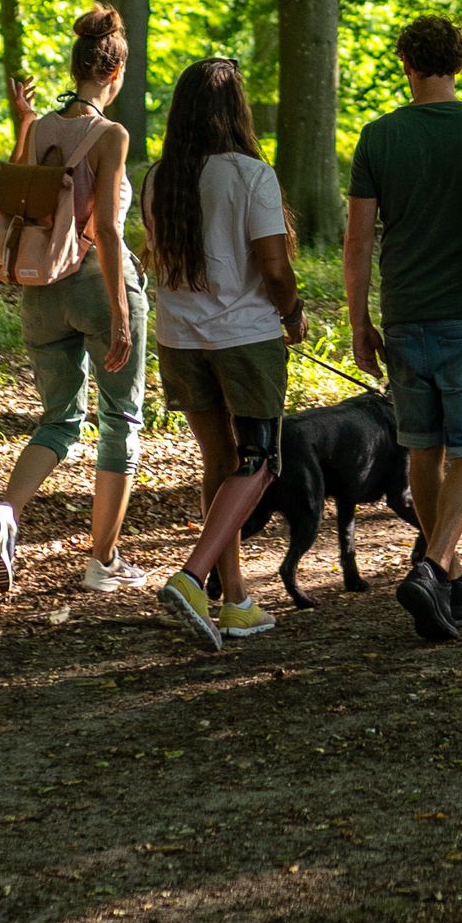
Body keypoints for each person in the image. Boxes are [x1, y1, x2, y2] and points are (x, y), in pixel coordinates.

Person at [344, 11, 462, 645]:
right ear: (459, 64)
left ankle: (446, 571)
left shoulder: (379, 137)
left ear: (406, 65)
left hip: (405, 317)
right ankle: (435, 566)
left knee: (423, 451)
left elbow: (356, 243)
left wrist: (359, 322)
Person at [0, 6, 148, 593]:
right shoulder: (111, 135)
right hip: (99, 283)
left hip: (41, 290)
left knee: (58, 420)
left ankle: (5, 512)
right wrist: (122, 313)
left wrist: (25, 122)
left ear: (75, 69)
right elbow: (111, 230)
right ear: (115, 71)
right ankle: (104, 561)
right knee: (120, 417)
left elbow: (22, 196)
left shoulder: (43, 125)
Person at [143, 54, 304, 653]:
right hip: (245, 341)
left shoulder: (164, 177)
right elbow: (275, 267)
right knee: (259, 462)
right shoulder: (250, 175)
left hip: (181, 340)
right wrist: (291, 315)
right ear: (236, 110)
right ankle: (191, 578)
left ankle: (234, 601)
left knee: (220, 464)